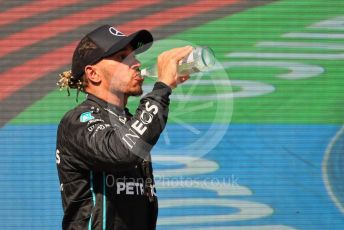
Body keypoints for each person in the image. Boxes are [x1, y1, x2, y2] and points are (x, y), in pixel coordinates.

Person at [55, 24, 192, 230]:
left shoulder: (128, 123)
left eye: (134, 56)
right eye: (122, 57)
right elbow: (123, 152)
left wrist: (163, 91)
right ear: (93, 74)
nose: (136, 63)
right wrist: (162, 88)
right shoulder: (77, 121)